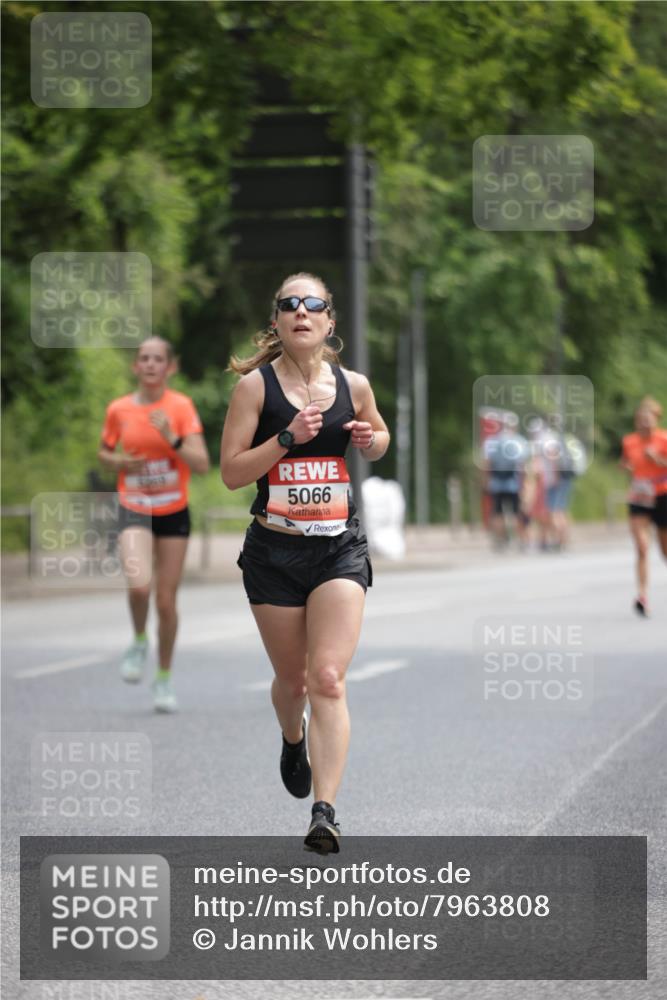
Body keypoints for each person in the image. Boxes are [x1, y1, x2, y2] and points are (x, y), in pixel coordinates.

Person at [220, 272, 389, 854]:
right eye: (288, 304)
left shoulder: (354, 384)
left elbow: (382, 435)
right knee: (292, 681)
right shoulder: (255, 391)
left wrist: (370, 437)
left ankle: (325, 811)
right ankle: (293, 738)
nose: (300, 312)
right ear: (277, 321)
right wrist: (287, 440)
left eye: (312, 304)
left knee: (327, 679)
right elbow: (232, 473)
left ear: (329, 322)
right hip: (274, 551)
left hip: (337, 546)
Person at [99, 336, 210, 710]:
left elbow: (202, 463)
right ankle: (138, 639)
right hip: (134, 507)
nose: (149, 364)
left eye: (157, 359)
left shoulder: (180, 407)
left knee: (165, 600)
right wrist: (117, 463)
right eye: (143, 358)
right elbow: (104, 451)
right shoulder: (118, 410)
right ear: (135, 366)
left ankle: (163, 677)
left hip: (173, 510)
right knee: (139, 587)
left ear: (169, 367)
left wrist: (171, 437)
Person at [620, 396, 667, 617]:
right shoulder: (629, 441)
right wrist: (626, 466)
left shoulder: (664, 439)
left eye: (648, 419)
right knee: (641, 547)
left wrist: (658, 460)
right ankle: (642, 595)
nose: (644, 423)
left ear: (656, 419)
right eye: (641, 419)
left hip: (662, 495)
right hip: (640, 495)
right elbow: (625, 463)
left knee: (665, 550)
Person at [482, 413, 530, 549]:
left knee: (497, 512)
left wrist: (486, 481)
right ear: (515, 426)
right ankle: (519, 539)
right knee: (515, 513)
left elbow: (487, 464)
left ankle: (500, 541)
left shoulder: (492, 441)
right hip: (513, 483)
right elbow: (523, 466)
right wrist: (525, 484)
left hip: (496, 482)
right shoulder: (520, 442)